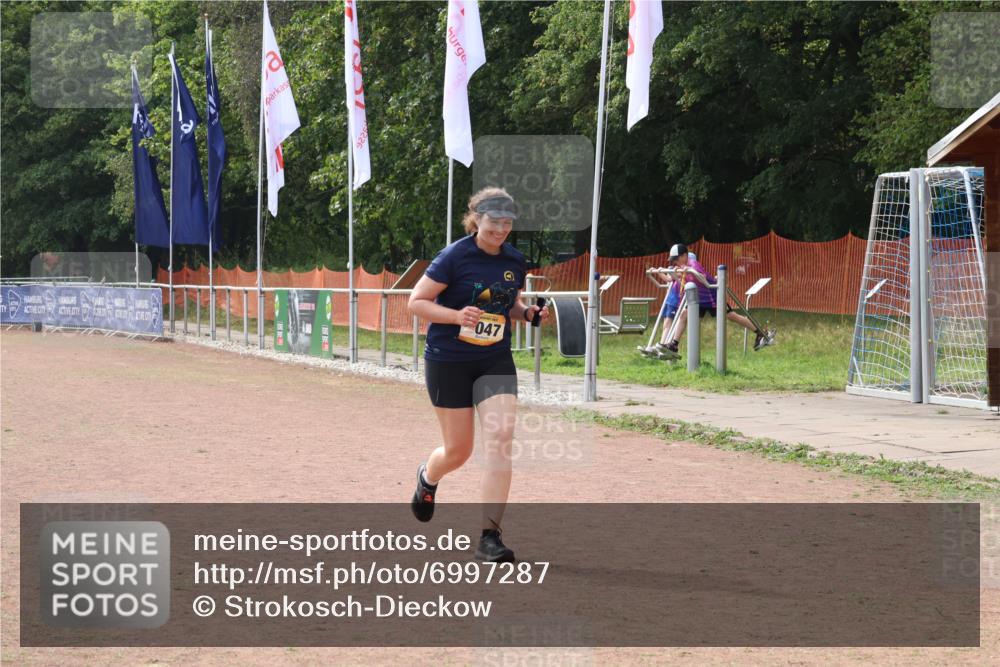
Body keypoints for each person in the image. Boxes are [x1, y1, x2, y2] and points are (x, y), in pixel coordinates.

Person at [407, 187, 549, 563]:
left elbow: (507, 303)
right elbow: (416, 302)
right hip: (449, 360)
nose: (500, 229)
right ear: (476, 219)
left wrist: (527, 313)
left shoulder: (514, 260)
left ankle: (489, 537)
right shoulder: (454, 256)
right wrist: (457, 316)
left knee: (500, 439)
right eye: (493, 222)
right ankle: (428, 477)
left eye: (507, 222)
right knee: (458, 451)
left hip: (494, 359)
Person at [649, 243, 773, 358]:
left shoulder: (693, 264)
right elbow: (675, 279)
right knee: (683, 315)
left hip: (712, 297)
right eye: (673, 260)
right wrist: (662, 271)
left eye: (676, 259)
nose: (675, 262)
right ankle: (674, 345)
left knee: (732, 316)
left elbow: (702, 277)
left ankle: (761, 333)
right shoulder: (681, 266)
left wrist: (689, 271)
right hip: (699, 299)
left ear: (684, 255)